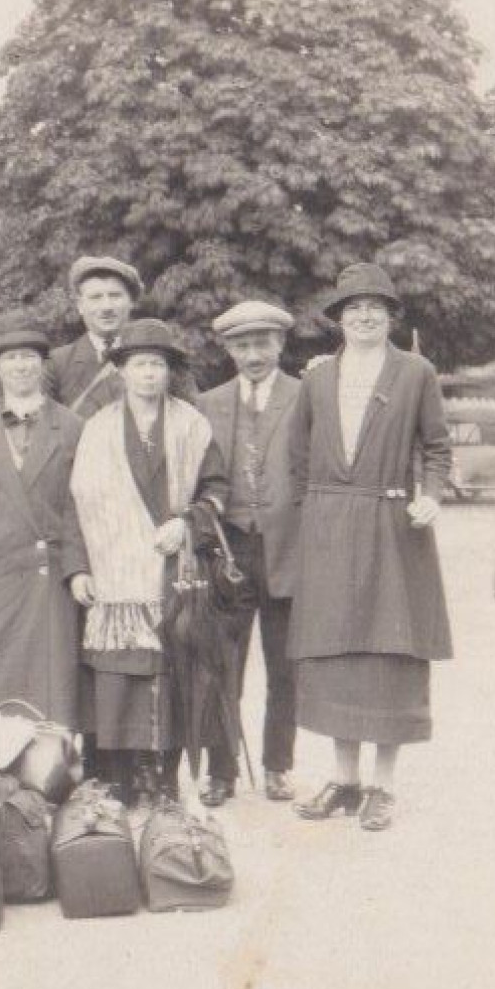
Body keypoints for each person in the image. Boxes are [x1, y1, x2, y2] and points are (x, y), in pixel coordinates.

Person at [288, 263, 453, 832]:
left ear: (390, 317)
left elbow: (437, 448)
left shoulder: (416, 373)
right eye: (353, 307)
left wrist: (429, 495)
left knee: (389, 654)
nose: (364, 316)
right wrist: (312, 525)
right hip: (330, 530)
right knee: (337, 654)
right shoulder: (316, 379)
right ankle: (344, 778)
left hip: (392, 530)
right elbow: (296, 459)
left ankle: (383, 785)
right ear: (337, 319)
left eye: (375, 307)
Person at [69, 318, 228, 807]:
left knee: (171, 673)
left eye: (157, 365)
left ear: (169, 372)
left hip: (172, 570)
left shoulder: (191, 425)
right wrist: (79, 568)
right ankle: (116, 775)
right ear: (121, 371)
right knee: (118, 677)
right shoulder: (95, 429)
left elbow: (217, 489)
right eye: (139, 364)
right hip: (114, 573)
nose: (148, 375)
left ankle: (162, 775)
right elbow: (73, 503)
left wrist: (188, 523)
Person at [193, 301, 303, 806]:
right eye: (242, 345)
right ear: (228, 350)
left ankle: (278, 765)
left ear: (280, 345)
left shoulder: (306, 397)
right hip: (227, 548)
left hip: (287, 548)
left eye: (263, 343)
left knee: (285, 668)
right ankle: (221, 771)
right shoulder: (207, 403)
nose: (253, 354)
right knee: (222, 666)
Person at [0, 329, 87, 726]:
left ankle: (49, 768)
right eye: (10, 358)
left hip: (49, 573)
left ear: (42, 364)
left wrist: (79, 568)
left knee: (50, 679)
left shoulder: (73, 426)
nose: (20, 366)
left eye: (29, 356)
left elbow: (82, 506)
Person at [44, 256, 142, 419]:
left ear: (131, 302)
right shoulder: (56, 364)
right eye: (96, 297)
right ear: (80, 306)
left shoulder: (158, 356)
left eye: (115, 296)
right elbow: (46, 430)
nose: (106, 307)